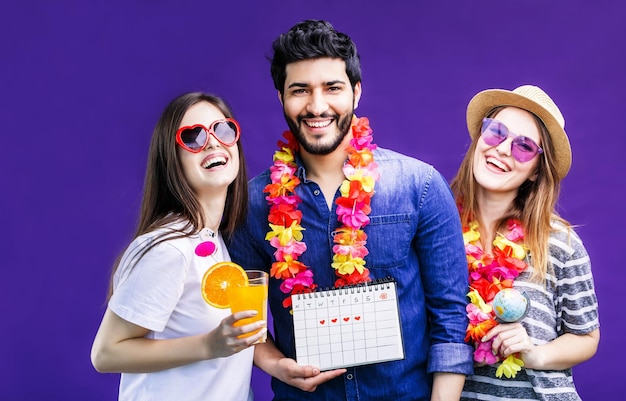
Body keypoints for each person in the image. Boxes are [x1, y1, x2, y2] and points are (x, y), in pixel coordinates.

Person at [227, 20, 474, 400]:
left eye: (332, 87)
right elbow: (244, 322)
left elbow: (450, 319)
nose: (317, 105)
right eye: (300, 90)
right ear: (280, 98)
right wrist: (276, 365)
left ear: (356, 92)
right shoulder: (251, 204)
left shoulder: (420, 186)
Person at [90, 92, 265, 401]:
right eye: (193, 137)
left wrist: (278, 366)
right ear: (172, 160)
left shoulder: (216, 240)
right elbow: (105, 353)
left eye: (223, 130)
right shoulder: (169, 248)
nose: (212, 143)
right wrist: (209, 345)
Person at [450, 85, 600, 400]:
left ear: (535, 170)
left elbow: (587, 337)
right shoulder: (439, 232)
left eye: (524, 146)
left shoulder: (560, 243)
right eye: (496, 132)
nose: (503, 149)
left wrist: (534, 353)